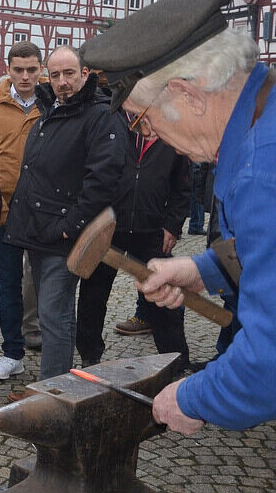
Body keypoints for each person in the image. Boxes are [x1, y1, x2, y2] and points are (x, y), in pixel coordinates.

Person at [82, 0, 276, 493]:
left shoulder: (270, 162)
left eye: (146, 121)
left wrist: (191, 398)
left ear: (190, 95)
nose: (158, 139)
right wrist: (201, 268)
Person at [3, 45, 129, 380]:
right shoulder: (53, 110)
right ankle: (58, 384)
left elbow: (104, 180)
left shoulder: (100, 114)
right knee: (53, 316)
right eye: (55, 74)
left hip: (64, 234)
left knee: (53, 315)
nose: (62, 81)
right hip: (41, 232)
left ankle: (53, 393)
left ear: (85, 74)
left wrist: (69, 226)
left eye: (69, 73)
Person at [75, 117, 190, 367]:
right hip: (109, 226)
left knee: (162, 296)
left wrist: (172, 224)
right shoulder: (112, 123)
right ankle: (89, 356)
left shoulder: (170, 127)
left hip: (151, 229)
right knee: (93, 296)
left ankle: (176, 362)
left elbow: (183, 186)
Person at [0, 42, 45, 379]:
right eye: (19, 70)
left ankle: (55, 354)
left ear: (40, 69)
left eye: (32, 69)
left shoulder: (52, 104)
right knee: (9, 283)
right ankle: (12, 352)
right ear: (9, 69)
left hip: (46, 210)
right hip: (4, 210)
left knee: (50, 282)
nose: (26, 76)